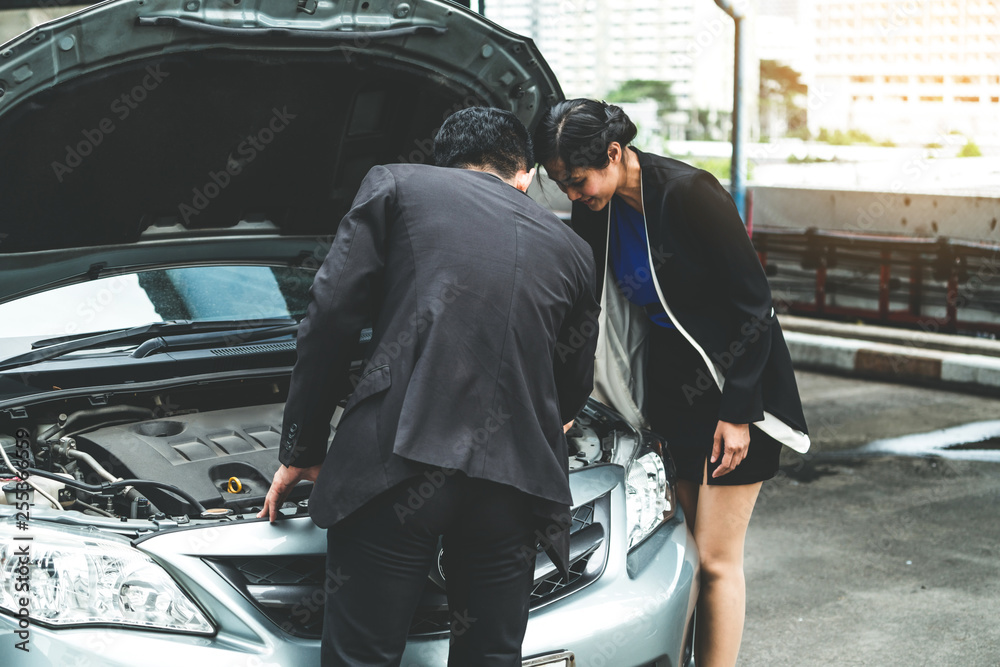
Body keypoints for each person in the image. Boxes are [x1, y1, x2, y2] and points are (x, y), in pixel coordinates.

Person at [257, 107, 599, 667]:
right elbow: (571, 388)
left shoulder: (396, 184)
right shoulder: (572, 249)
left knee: (362, 657)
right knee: (490, 657)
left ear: (444, 162)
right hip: (513, 487)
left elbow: (329, 316)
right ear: (525, 174)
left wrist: (302, 448)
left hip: (396, 464)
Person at [534, 99, 810, 667]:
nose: (572, 195)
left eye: (578, 180)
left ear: (614, 154)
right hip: (671, 390)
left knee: (715, 558)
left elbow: (756, 308)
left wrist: (739, 414)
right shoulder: (599, 207)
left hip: (737, 387)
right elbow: (587, 310)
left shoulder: (690, 193)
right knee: (680, 551)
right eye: (562, 184)